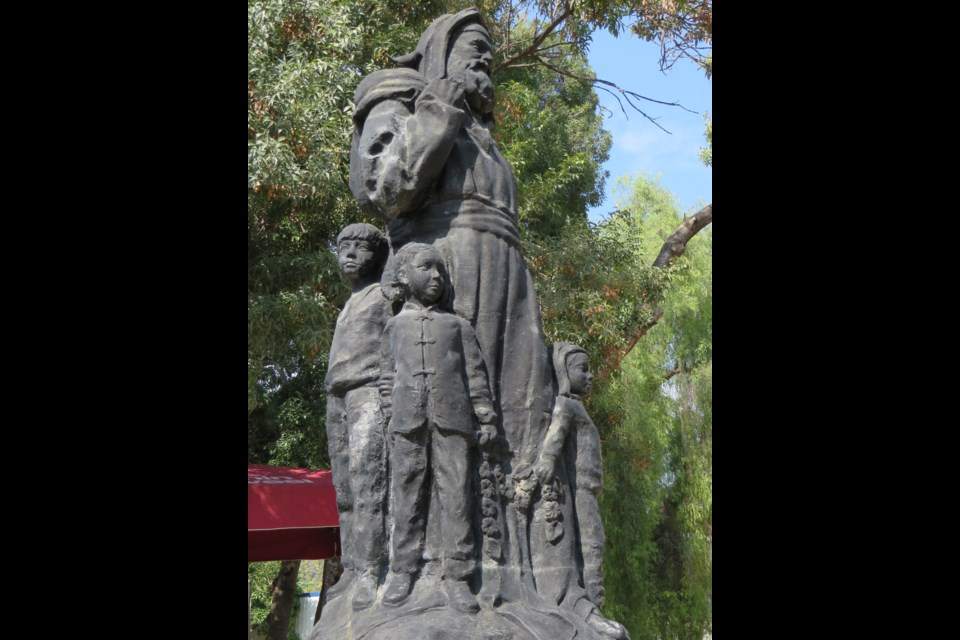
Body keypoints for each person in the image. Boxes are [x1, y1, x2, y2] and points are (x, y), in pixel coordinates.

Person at [349, 8, 554, 473]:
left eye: (489, 53)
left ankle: (524, 532)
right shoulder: (404, 105)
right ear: (441, 54)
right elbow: (389, 190)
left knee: (524, 407)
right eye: (474, 48)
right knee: (457, 410)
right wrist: (439, 105)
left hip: (509, 279)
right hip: (449, 263)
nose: (485, 60)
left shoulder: (485, 139)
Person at [378, 242, 498, 613]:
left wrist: (485, 415)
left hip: (453, 420)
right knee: (406, 496)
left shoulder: (457, 326)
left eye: (441, 271)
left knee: (457, 496)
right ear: (403, 276)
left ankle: (459, 578)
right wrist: (389, 412)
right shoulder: (395, 326)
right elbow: (386, 374)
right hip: (407, 420)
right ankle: (402, 572)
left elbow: (475, 374)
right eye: (427, 268)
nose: (436, 277)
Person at [323, 223, 393, 611]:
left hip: (367, 392)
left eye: (359, 248)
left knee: (370, 487)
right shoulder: (350, 303)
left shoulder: (384, 295)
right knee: (345, 492)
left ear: (377, 255)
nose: (349, 254)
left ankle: (371, 572)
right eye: (343, 247)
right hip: (337, 397)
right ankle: (352, 568)